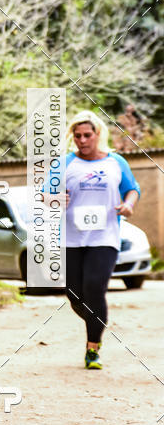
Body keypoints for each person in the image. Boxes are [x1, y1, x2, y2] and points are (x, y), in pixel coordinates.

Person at [64, 110, 140, 369]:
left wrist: (128, 205)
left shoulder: (115, 162)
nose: (82, 140)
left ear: (98, 134)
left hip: (105, 237)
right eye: (77, 136)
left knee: (95, 288)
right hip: (71, 239)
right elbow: (45, 194)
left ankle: (92, 348)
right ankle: (96, 319)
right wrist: (54, 199)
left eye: (87, 135)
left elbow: (132, 189)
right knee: (75, 294)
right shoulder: (64, 164)